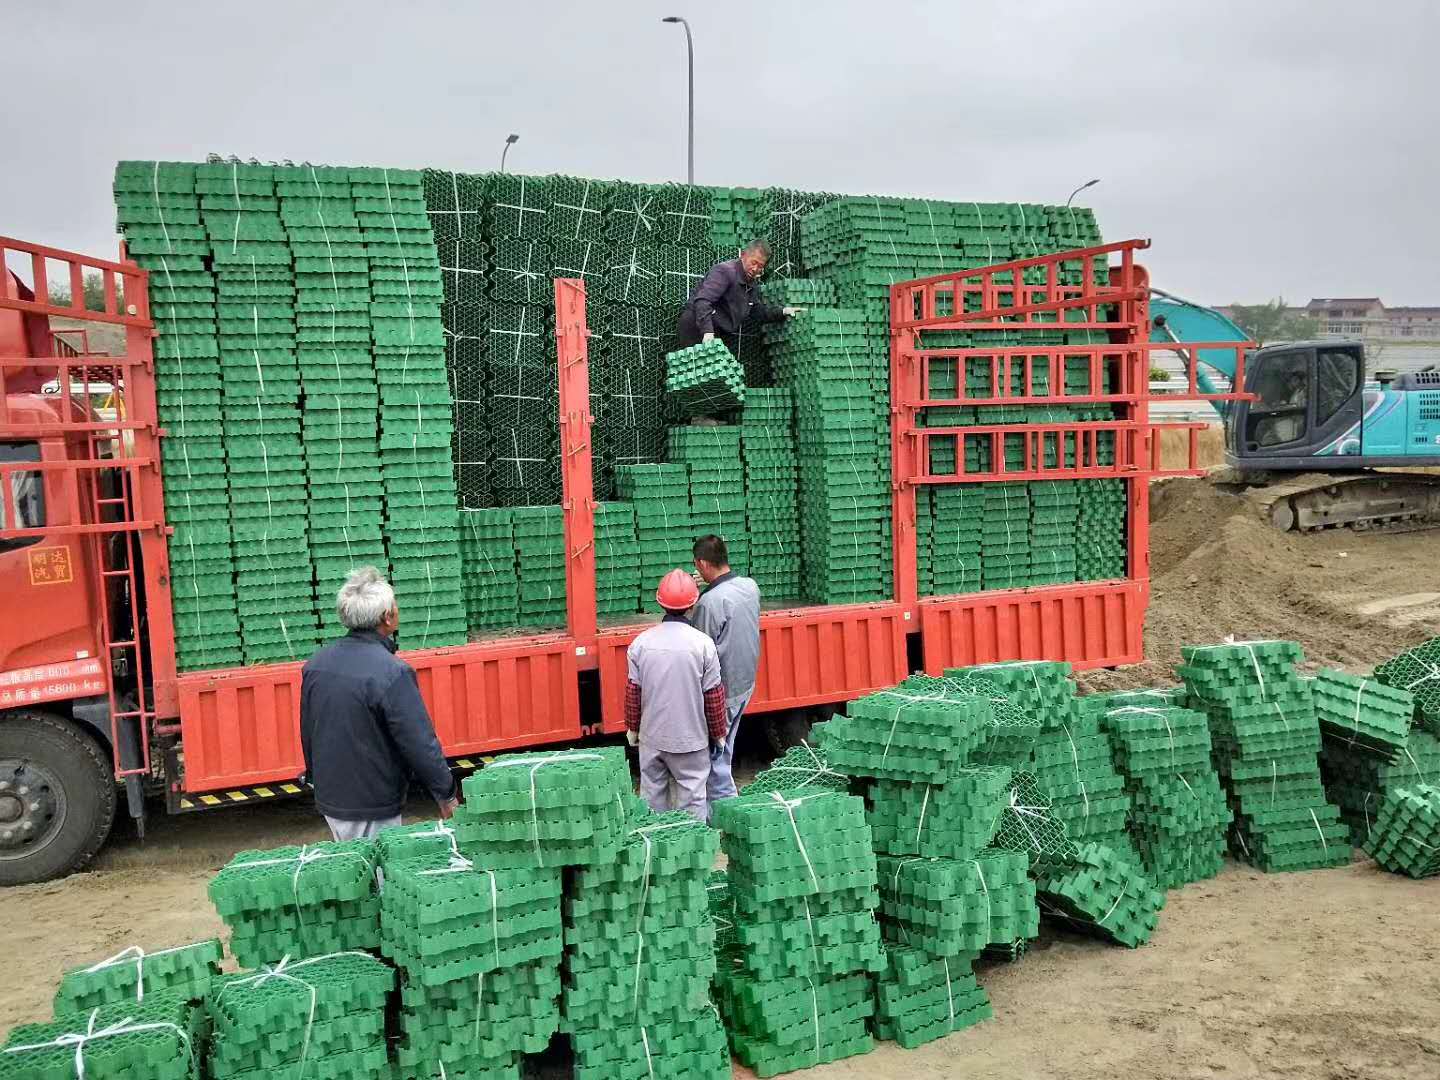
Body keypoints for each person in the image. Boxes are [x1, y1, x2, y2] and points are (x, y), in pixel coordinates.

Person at [300, 566, 458, 841]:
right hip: (371, 802)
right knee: (377, 875)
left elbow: (308, 731)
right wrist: (445, 793)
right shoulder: (392, 672)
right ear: (387, 618)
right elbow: (419, 742)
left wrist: (316, 777)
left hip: (331, 799)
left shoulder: (317, 665)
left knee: (352, 868)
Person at [624, 569, 728, 821]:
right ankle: (692, 852)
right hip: (691, 741)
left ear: (660, 603)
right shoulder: (703, 645)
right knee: (692, 801)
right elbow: (713, 697)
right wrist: (719, 734)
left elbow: (633, 693)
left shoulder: (640, 643)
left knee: (651, 798)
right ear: (693, 605)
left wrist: (633, 729)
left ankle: (654, 849)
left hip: (652, 739)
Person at [688, 534, 761, 808]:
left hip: (724, 690)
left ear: (703, 564)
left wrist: (692, 601)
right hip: (744, 683)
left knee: (715, 757)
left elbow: (699, 648)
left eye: (697, 566)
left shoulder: (710, 602)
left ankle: (729, 813)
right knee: (726, 747)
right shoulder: (749, 587)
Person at [675, 239, 801, 356]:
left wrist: (783, 311)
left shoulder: (751, 285)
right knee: (698, 374)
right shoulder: (725, 271)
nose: (755, 269)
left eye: (760, 266)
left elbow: (757, 312)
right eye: (754, 262)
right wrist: (707, 333)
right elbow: (703, 301)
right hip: (697, 328)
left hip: (718, 333)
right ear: (744, 255)